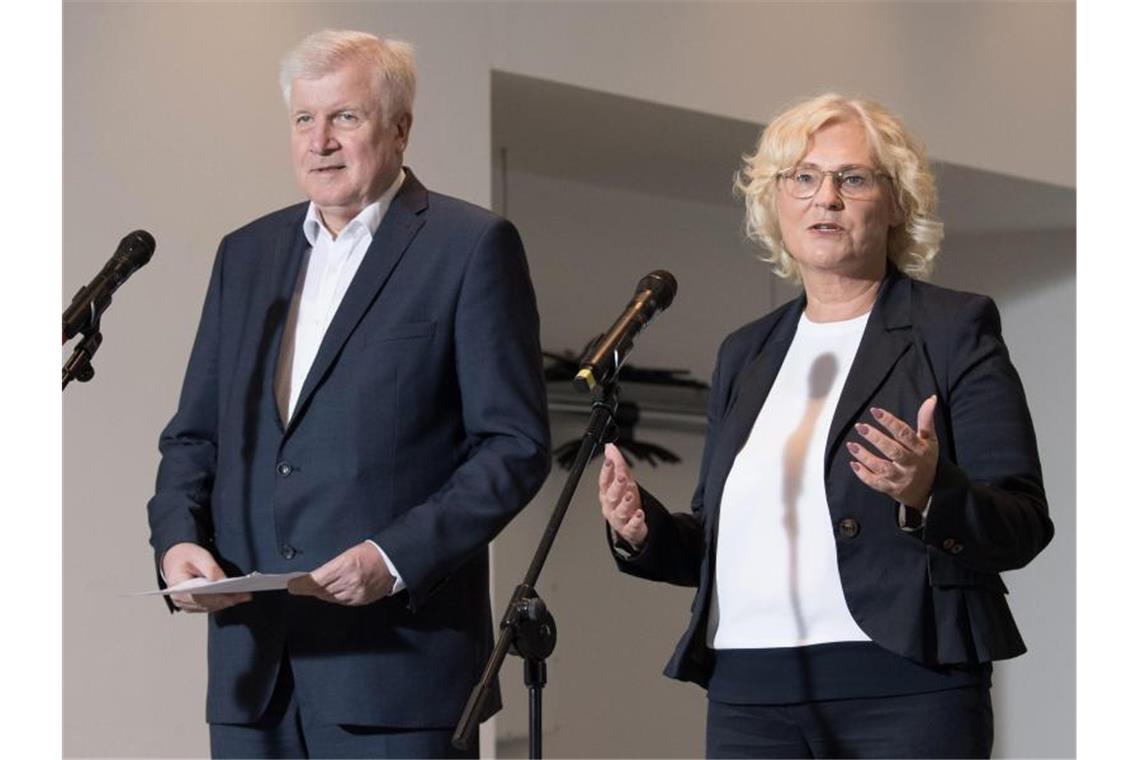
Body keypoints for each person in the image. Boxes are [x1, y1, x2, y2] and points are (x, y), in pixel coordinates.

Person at [599, 93, 1052, 759]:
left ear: (896, 202)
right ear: (774, 203)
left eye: (853, 178)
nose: (826, 198)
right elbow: (715, 541)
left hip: (904, 688)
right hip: (749, 696)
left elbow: (1022, 521)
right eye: (803, 178)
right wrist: (644, 532)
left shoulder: (953, 328)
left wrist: (931, 492)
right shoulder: (745, 352)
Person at [146, 29, 550, 759]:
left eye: (346, 117)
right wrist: (178, 542)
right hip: (253, 677)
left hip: (397, 672)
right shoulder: (246, 255)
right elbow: (194, 436)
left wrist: (393, 557)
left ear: (399, 128)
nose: (320, 141)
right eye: (305, 119)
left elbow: (513, 448)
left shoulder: (469, 247)